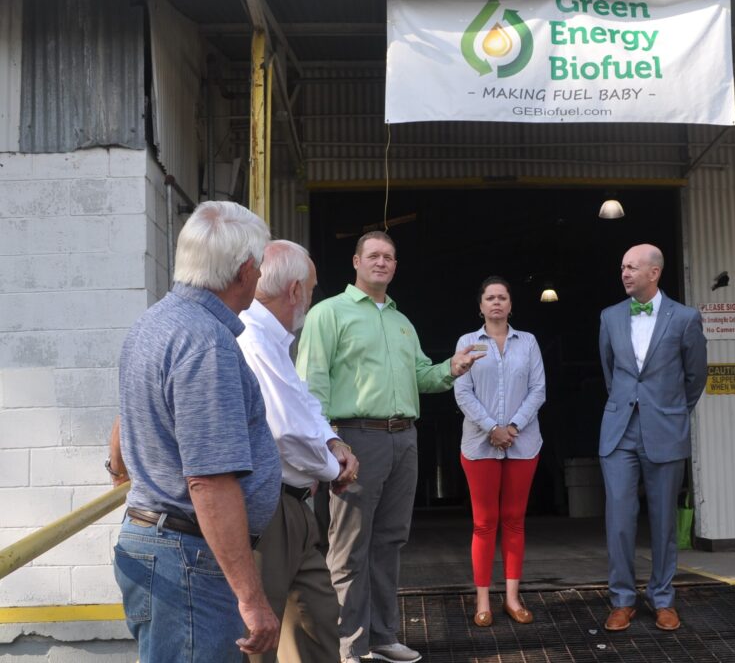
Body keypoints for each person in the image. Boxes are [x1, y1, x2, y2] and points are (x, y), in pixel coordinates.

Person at [295, 231, 484, 663]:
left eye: (389, 257)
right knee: (349, 546)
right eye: (374, 255)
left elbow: (421, 376)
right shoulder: (329, 314)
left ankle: (382, 636)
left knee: (390, 541)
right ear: (356, 262)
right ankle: (348, 646)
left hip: (404, 438)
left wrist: (450, 369)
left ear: (395, 267)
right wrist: (328, 442)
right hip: (355, 436)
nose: (381, 262)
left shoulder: (402, 322)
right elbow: (312, 383)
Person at [113, 201, 281, 661]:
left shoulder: (154, 322)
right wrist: (251, 598)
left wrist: (121, 469)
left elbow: (124, 421)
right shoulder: (206, 342)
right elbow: (209, 480)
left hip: (163, 544)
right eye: (261, 267)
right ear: (244, 271)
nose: (261, 276)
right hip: (187, 557)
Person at [236, 240, 361, 662]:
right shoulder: (252, 337)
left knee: (318, 615)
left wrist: (333, 443)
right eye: (311, 287)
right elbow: (285, 432)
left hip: (295, 504)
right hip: (268, 509)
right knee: (262, 634)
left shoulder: (276, 338)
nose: (312, 295)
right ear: (294, 291)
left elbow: (303, 403)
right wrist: (335, 470)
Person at [598, 243, 708, 633]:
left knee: (663, 522)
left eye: (631, 267)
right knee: (620, 520)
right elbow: (610, 373)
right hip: (619, 432)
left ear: (654, 273)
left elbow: (696, 377)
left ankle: (663, 599)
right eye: (622, 266)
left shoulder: (685, 317)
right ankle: (622, 600)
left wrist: (670, 410)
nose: (624, 273)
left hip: (665, 429)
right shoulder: (609, 317)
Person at [454, 276, 546, 627]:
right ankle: (482, 601)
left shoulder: (529, 343)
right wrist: (492, 428)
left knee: (514, 520)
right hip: (479, 444)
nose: (496, 303)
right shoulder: (467, 342)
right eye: (489, 297)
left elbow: (538, 390)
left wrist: (513, 428)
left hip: (523, 444)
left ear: (510, 305)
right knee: (483, 523)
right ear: (480, 306)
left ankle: (511, 597)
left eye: (502, 297)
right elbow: (462, 393)